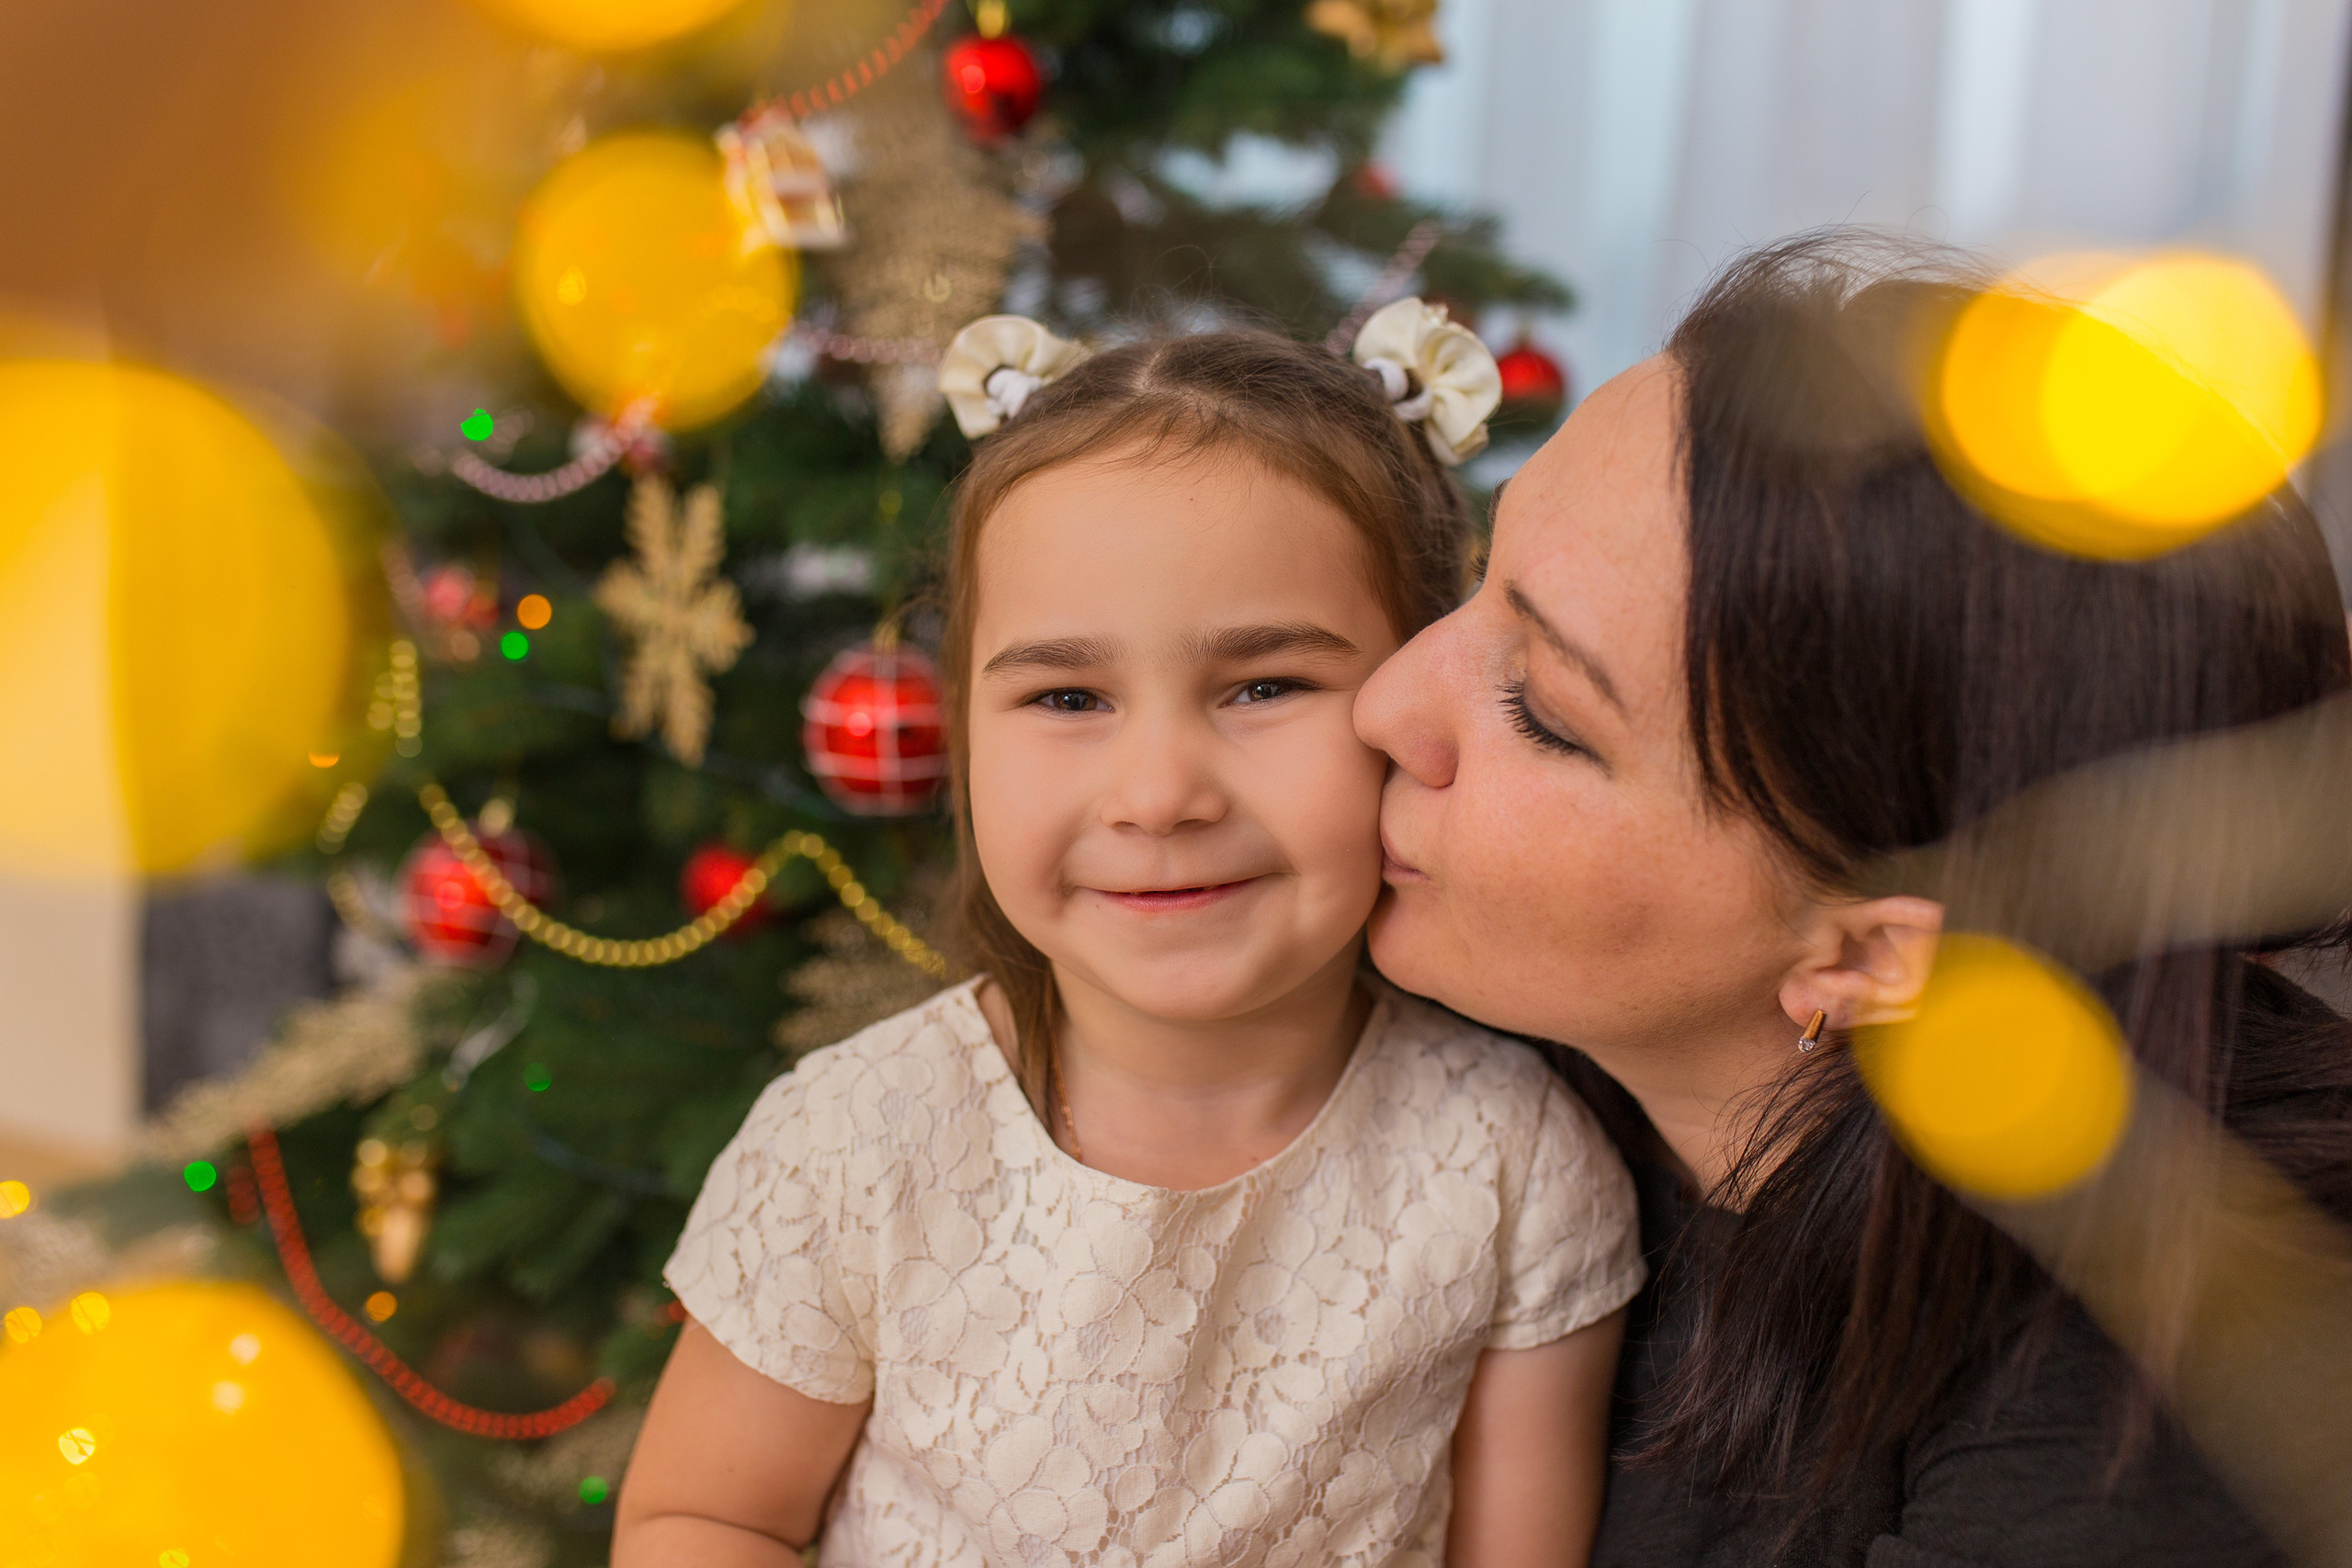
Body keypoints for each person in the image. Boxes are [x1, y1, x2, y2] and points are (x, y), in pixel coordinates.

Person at [1353, 231, 2352, 1566]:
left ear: (1878, 956)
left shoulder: (2127, 1436)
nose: (1383, 701)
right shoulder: (1491, 1073)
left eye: (1545, 711)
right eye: (1482, 573)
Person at [615, 307, 1645, 1568]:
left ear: (1410, 694)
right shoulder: (854, 1148)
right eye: (1067, 697)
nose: (1159, 794)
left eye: (1264, 686)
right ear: (968, 736)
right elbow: (705, 1520)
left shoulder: (1515, 1166)